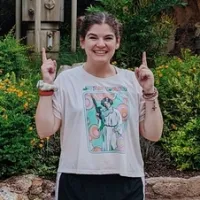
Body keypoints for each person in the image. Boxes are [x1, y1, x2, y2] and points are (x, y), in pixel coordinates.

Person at [35, 11, 163, 200]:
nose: (101, 44)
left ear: (117, 42)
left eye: (108, 38)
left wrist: (149, 91)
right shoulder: (66, 80)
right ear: (82, 41)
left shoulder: (133, 81)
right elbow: (45, 130)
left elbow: (153, 134)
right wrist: (47, 85)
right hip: (75, 180)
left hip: (127, 181)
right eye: (93, 37)